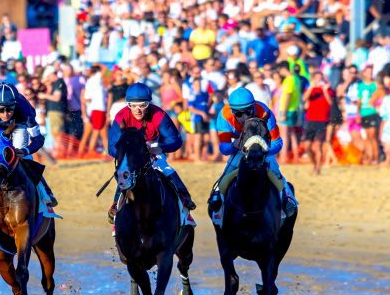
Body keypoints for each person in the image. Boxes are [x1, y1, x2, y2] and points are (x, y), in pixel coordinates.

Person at [107, 83, 197, 225]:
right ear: (128, 104)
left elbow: (176, 140)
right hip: (131, 152)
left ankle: (185, 199)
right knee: (124, 173)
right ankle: (115, 205)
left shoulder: (159, 114)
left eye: (142, 105)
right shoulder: (121, 116)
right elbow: (111, 147)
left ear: (148, 104)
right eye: (133, 105)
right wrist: (127, 152)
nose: (138, 110)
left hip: (153, 147)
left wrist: (160, 148)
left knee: (164, 168)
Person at [208, 88, 297, 218]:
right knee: (226, 174)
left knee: (275, 172)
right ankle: (218, 202)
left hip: (263, 150)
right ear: (232, 111)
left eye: (248, 112)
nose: (244, 118)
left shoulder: (264, 113)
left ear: (253, 107)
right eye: (238, 114)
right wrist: (234, 145)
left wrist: (262, 150)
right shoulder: (224, 116)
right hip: (240, 150)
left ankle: (287, 199)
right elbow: (224, 149)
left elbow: (277, 143)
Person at [0, 82, 58, 210]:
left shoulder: (25, 110)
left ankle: (45, 191)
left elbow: (38, 139)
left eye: (10, 109)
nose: (6, 114)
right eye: (1, 110)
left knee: (23, 158)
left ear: (15, 105)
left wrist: (25, 151)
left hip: (19, 125)